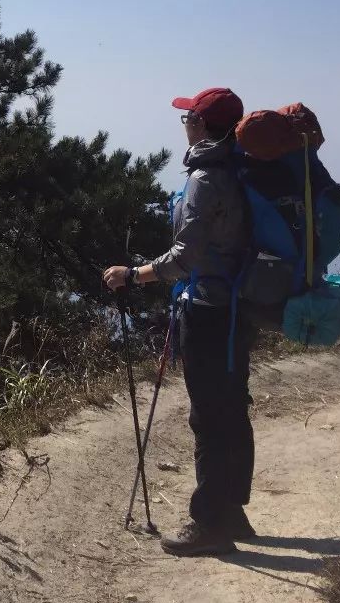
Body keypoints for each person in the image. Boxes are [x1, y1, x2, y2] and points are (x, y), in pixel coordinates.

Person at [102, 87, 254, 557]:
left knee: (208, 415)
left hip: (208, 312)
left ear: (203, 127)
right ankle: (230, 510)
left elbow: (187, 257)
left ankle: (210, 524)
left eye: (189, 117)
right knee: (230, 407)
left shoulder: (206, 178)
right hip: (235, 307)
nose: (185, 122)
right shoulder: (237, 167)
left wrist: (135, 275)